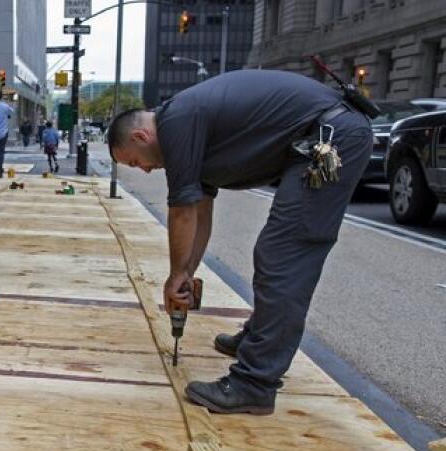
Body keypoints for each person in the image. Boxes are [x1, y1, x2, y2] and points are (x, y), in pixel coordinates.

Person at [107, 69, 373, 415]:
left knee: (283, 256)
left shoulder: (178, 122)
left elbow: (183, 212)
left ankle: (255, 382)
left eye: (134, 162)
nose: (142, 170)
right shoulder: (185, 130)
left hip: (330, 139)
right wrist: (186, 272)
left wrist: (173, 277)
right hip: (320, 136)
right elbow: (201, 213)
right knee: (277, 252)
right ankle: (258, 341)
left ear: (141, 136)